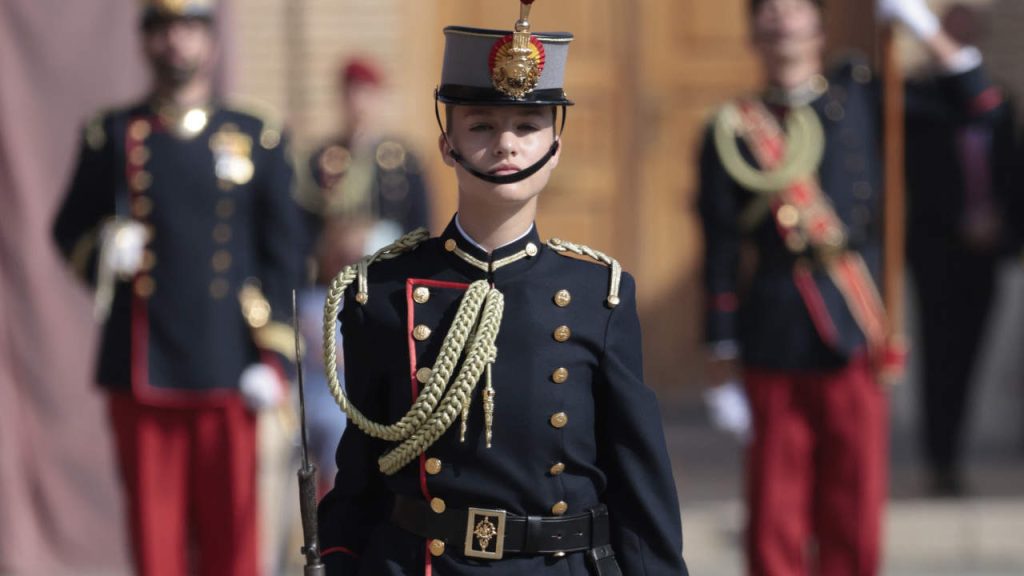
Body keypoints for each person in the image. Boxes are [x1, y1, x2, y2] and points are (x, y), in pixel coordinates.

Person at [315, 1, 688, 574]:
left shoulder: (599, 295)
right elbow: (360, 481)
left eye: (527, 127)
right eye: (482, 126)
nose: (506, 145)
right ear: (448, 145)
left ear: (554, 149)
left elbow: (641, 488)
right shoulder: (381, 292)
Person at [698, 0, 1007, 574]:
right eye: (769, 12)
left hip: (857, 318)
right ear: (753, 34)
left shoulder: (866, 96)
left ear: (818, 27)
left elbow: (980, 104)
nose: (782, 20)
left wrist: (923, 28)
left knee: (855, 495)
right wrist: (720, 345)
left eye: (794, 9)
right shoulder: (734, 126)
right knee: (775, 506)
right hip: (772, 326)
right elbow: (718, 247)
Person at [51, 1, 302, 574]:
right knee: (155, 538)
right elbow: (67, 230)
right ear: (145, 42)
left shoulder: (254, 136)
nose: (176, 43)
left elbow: (285, 253)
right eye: (163, 29)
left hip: (231, 359)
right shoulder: (112, 133)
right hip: (145, 363)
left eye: (189, 28)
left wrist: (278, 358)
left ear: (211, 41)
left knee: (233, 538)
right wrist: (104, 252)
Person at [905, 2, 1016, 497]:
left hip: (985, 254)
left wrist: (1002, 227)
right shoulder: (916, 100)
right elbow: (916, 179)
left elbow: (1011, 176)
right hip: (938, 251)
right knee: (938, 355)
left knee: (969, 355)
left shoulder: (998, 104)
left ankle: (953, 451)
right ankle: (940, 458)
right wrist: (958, 221)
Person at [295, 56, 432, 271]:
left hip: (390, 272)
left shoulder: (405, 161)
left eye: (366, 94)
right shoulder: (321, 158)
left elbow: (421, 226)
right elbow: (304, 224)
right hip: (333, 277)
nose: (358, 104)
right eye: (350, 94)